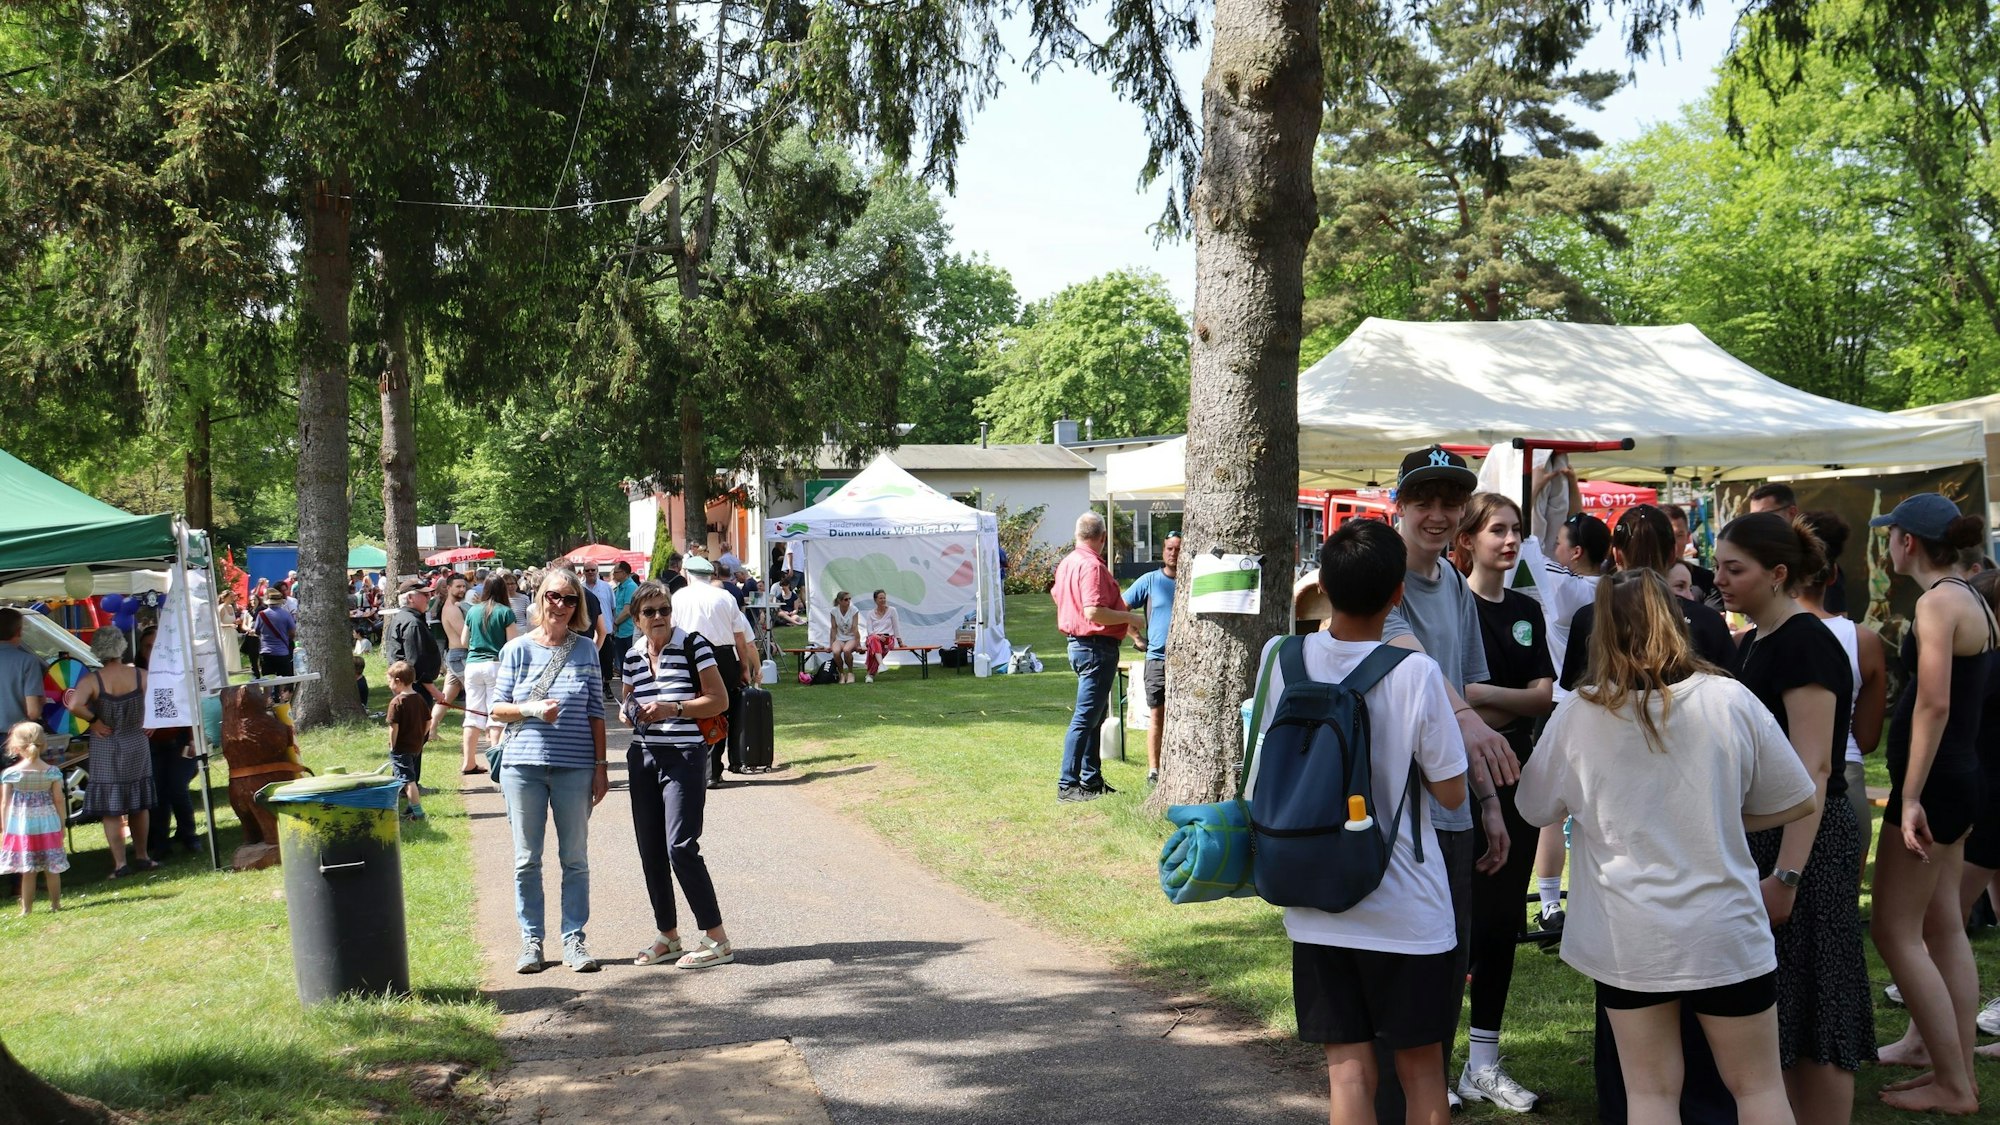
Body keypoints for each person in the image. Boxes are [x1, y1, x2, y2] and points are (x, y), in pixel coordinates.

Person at [1518, 568, 1816, 1125]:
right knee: (1757, 1089)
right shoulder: (1728, 699)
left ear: (1600, 631)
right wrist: (1725, 815)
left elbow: (1535, 808)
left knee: (1650, 1096)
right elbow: (1797, 797)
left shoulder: (1579, 714)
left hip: (1630, 936)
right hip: (1724, 927)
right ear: (1675, 621)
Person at [1245, 518, 1468, 1125]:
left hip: (1313, 897)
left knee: (1346, 1071)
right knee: (1422, 1071)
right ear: (1398, 595)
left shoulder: (1281, 658)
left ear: (1324, 588)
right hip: (1406, 906)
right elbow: (1450, 793)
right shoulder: (1415, 672)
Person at [1713, 512, 1875, 1122]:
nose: (1721, 580)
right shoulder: (1758, 639)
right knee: (1783, 1003)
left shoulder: (1805, 641)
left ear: (1778, 574)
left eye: (1736, 569)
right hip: (1772, 840)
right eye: (1720, 567)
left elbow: (1815, 770)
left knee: (1819, 1002)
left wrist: (1786, 876)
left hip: (1805, 842)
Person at [1377, 446, 1514, 1118]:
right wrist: (1468, 719)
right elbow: (1422, 674)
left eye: (1448, 501)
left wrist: (1489, 803)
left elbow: (1459, 687)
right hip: (1396, 815)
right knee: (1394, 978)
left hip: (1453, 813)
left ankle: (1426, 1095)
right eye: (1422, 500)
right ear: (1398, 506)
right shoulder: (1381, 577)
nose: (1436, 514)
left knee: (1445, 971)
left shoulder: (1456, 585)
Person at [1864, 492, 1991, 1115]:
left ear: (1906, 542)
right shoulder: (1971, 597)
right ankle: (1950, 1067)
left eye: (1889, 535)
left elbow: (1934, 703)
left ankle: (1953, 1083)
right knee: (1942, 925)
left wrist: (1908, 794)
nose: (1886, 545)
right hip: (1961, 778)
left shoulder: (1940, 601)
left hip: (1938, 785)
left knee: (1895, 930)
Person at [1453, 493, 1555, 1112]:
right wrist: (1492, 702)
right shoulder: (1451, 605)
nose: (1512, 539)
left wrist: (1480, 704)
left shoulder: (1526, 609)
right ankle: (1432, 1056)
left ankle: (1483, 1062)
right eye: (1498, 529)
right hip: (1454, 778)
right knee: (1448, 923)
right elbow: (1445, 691)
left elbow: (1545, 694)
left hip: (1516, 775)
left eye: (1517, 529)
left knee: (1499, 921)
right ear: (1467, 539)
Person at [490, 567, 608, 975]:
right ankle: (532, 941)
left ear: (578, 606)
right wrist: (531, 709)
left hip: (575, 767)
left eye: (570, 599)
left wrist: (601, 766)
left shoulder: (586, 650)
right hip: (523, 766)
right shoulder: (517, 650)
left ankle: (574, 939)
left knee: (574, 858)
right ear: (539, 599)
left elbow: (596, 712)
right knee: (527, 859)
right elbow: (497, 708)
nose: (560, 605)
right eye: (553, 597)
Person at [620, 580, 737, 969]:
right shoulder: (632, 654)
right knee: (650, 850)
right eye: (650, 612)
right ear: (636, 618)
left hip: (684, 754)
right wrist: (628, 711)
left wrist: (674, 708)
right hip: (643, 755)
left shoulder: (693, 645)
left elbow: (718, 700)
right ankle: (667, 936)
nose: (659, 618)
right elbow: (628, 698)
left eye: (664, 610)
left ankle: (717, 939)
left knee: (680, 846)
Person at [1797, 511, 1887, 889]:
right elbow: (1866, 739)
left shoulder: (1750, 640)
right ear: (1833, 576)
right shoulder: (1863, 640)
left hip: (1777, 779)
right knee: (1838, 905)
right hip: (1842, 773)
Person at [1050, 511, 1143, 803]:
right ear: (1103, 537)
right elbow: (1093, 611)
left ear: (1078, 535)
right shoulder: (1091, 566)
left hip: (1080, 645)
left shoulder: (1067, 563)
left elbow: (1058, 596)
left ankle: (1091, 780)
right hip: (1095, 646)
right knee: (1085, 718)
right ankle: (1068, 785)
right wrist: (1132, 618)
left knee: (1095, 716)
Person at [70, 627, 158, 876]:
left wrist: (94, 720)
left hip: (106, 743)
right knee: (140, 803)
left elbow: (74, 704)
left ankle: (120, 864)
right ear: (121, 647)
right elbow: (160, 698)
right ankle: (142, 855)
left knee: (111, 808)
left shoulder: (91, 681)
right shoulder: (141, 675)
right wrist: (150, 720)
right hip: (137, 740)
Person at [671, 557, 757, 786]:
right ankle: (713, 770)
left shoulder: (679, 597)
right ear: (710, 575)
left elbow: (672, 632)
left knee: (689, 707)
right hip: (723, 656)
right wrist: (744, 668)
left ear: (688, 574)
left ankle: (693, 766)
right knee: (720, 710)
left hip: (689, 656)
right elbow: (739, 636)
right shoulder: (726, 597)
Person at [1122, 534, 1180, 785]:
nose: (1173, 554)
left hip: (1189, 661)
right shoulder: (1150, 581)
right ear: (1163, 551)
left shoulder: (1193, 582)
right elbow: (1121, 608)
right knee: (1157, 714)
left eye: (1178, 549)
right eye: (1169, 548)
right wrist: (1136, 637)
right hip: (1157, 659)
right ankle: (1154, 770)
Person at [136, 626, 198, 860]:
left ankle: (189, 835)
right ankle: (160, 841)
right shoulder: (137, 676)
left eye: (155, 646)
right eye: (147, 647)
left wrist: (193, 738)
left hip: (179, 740)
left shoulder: (178, 673)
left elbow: (189, 708)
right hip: (151, 743)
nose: (151, 652)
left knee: (177, 788)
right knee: (157, 792)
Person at [1, 723, 68, 913]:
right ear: (44, 744)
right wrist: (61, 823)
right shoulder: (52, 772)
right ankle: (55, 905)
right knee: (52, 868)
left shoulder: (11, 774)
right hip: (48, 824)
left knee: (27, 871)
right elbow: (58, 799)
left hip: (22, 826)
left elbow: (4, 803)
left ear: (15, 747)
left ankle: (27, 909)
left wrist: (5, 828)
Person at [462, 573, 520, 775]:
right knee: (496, 712)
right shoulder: (505, 612)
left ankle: (468, 761)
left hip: (472, 665)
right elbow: (512, 644)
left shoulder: (473, 611)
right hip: (496, 665)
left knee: (472, 714)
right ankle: (496, 760)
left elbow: (463, 641)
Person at [384, 577, 443, 721]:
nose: (428, 598)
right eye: (424, 595)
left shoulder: (400, 618)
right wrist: (435, 692)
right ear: (410, 597)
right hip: (414, 690)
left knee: (408, 735)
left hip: (405, 688)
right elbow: (417, 665)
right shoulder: (412, 623)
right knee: (415, 736)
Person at [385, 661, 429, 821]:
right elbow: (428, 721)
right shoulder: (419, 699)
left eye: (389, 680)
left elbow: (393, 728)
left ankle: (418, 812)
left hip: (401, 748)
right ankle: (411, 805)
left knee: (407, 780)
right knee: (411, 774)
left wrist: (392, 745)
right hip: (416, 746)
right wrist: (421, 737)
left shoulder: (396, 702)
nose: (389, 684)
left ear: (398, 681)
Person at [433, 572, 470, 738]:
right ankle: (474, 730)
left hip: (455, 656)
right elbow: (465, 636)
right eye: (458, 586)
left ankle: (431, 730)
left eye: (464, 586)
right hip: (460, 656)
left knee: (446, 697)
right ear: (448, 588)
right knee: (474, 693)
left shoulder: (456, 606)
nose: (462, 589)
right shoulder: (452, 609)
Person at [1663, 502, 1719, 605]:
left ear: (1688, 537)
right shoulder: (1641, 581)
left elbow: (1713, 618)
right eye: (1666, 535)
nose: (1673, 543)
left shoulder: (1706, 581)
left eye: (1679, 535)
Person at [0, 608, 45, 730]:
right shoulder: (27, 661)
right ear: (18, 631)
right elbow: (33, 712)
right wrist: (41, 702)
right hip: (15, 736)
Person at [253, 587, 298, 700]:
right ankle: (282, 702)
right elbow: (293, 632)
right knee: (283, 679)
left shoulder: (261, 615)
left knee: (267, 680)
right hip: (282, 652)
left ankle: (268, 701)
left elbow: (257, 631)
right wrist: (286, 639)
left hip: (266, 652)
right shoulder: (286, 615)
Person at [608, 561, 639, 706]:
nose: (614, 574)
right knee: (621, 666)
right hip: (620, 632)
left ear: (625, 573)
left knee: (629, 666)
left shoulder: (631, 586)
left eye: (616, 572)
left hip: (628, 631)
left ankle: (632, 695)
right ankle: (626, 695)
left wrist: (614, 623)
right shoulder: (619, 587)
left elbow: (627, 611)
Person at [862, 589, 902, 683]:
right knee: (873, 639)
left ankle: (870, 674)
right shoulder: (870, 613)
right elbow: (870, 631)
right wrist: (878, 637)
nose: (883, 600)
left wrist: (900, 642)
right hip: (875, 638)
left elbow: (896, 627)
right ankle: (881, 665)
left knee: (874, 647)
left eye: (884, 598)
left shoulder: (892, 610)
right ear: (875, 600)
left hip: (888, 640)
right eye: (881, 598)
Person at [827, 591, 863, 683]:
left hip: (851, 638)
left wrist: (858, 644)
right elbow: (833, 628)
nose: (848, 601)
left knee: (847, 650)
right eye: (846, 599)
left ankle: (850, 672)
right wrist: (831, 644)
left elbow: (855, 627)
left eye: (849, 599)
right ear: (839, 601)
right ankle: (842, 673)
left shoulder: (854, 610)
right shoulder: (834, 611)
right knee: (836, 652)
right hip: (839, 638)